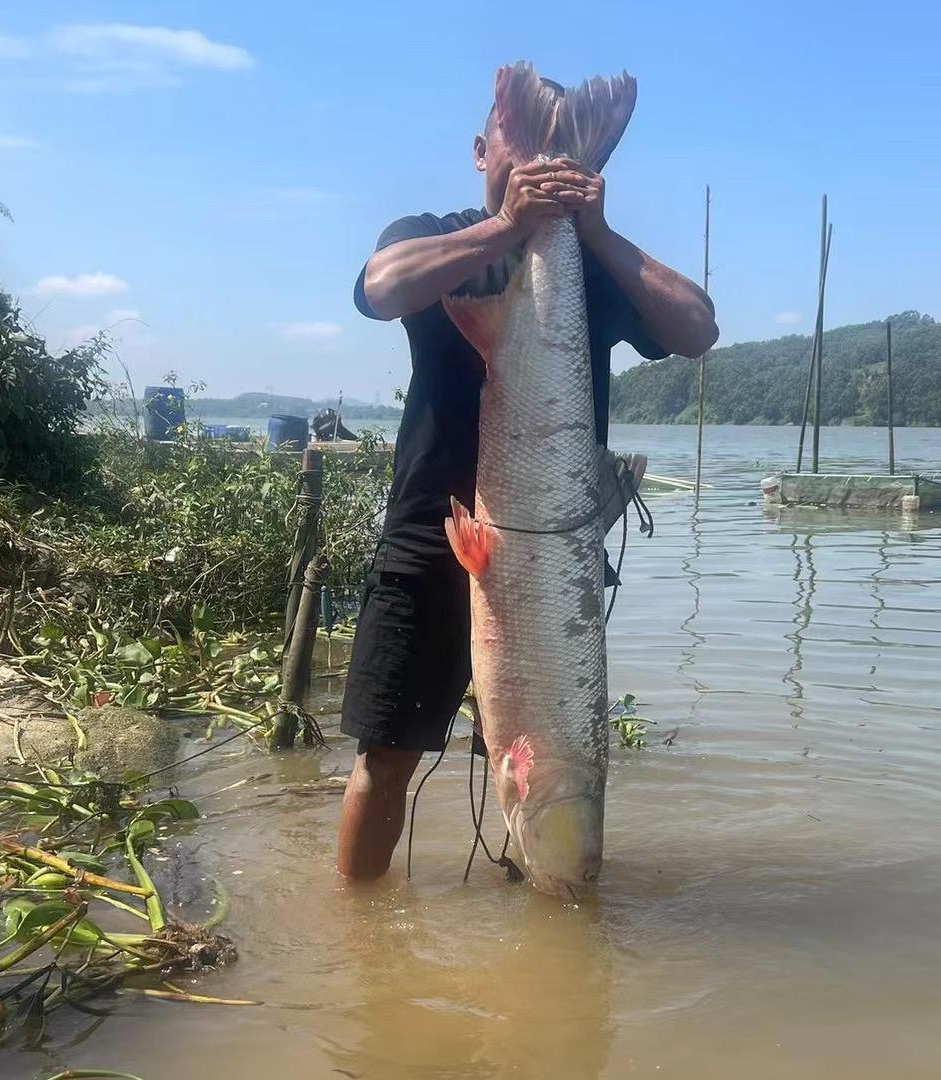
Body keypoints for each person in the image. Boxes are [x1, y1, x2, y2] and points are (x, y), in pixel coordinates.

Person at [337, 77, 718, 880]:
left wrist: (598, 230)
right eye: (520, 145)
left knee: (536, 742)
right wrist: (507, 227)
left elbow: (697, 327)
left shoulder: (590, 262)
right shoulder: (436, 234)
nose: (542, 165)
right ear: (482, 153)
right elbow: (379, 287)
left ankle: (540, 925)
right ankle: (356, 932)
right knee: (387, 755)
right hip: (430, 533)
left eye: (560, 156)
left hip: (549, 553)